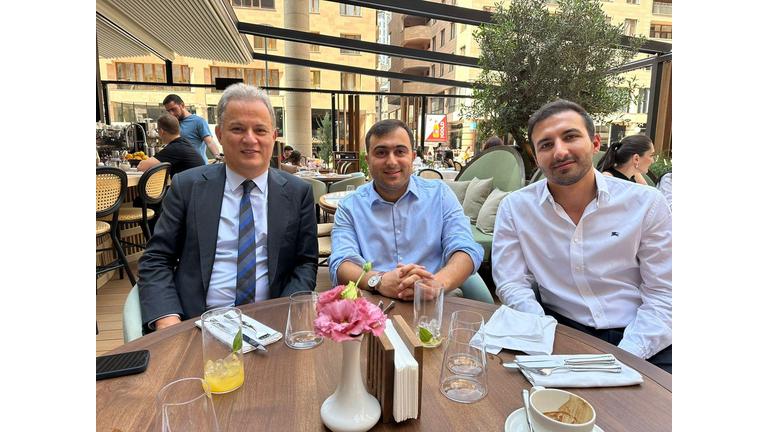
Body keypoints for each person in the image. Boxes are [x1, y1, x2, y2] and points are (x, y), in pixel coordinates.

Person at [492, 99, 672, 373]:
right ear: (537, 157)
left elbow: (664, 293)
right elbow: (511, 281)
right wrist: (541, 332)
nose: (559, 151)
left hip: (643, 334)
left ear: (595, 143)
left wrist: (624, 356)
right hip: (564, 330)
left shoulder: (647, 203)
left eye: (570, 137)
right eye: (546, 144)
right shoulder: (516, 208)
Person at [139, 84, 318, 332]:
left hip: (270, 325)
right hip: (195, 324)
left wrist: (283, 314)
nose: (250, 139)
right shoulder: (187, 187)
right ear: (220, 134)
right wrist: (168, 320)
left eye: (260, 130)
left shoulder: (298, 193)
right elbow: (157, 258)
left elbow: (305, 263)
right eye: (237, 129)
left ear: (274, 136)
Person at [329, 119, 493, 303]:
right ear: (367, 160)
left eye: (400, 151)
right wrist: (379, 281)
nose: (391, 162)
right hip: (372, 301)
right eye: (381, 152)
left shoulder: (440, 195)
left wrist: (435, 283)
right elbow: (341, 262)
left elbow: (465, 248)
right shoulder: (350, 206)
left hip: (433, 301)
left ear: (413, 156)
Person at [137, 114, 205, 177]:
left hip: (189, 185)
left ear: (162, 131)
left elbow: (141, 167)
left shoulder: (174, 148)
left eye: (158, 131)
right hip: (199, 184)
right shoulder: (184, 143)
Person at [163, 94, 220, 164]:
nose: (171, 114)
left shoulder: (198, 121)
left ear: (182, 105)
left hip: (198, 166)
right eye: (168, 111)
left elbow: (210, 142)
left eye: (173, 109)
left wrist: (218, 157)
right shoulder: (173, 124)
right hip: (181, 167)